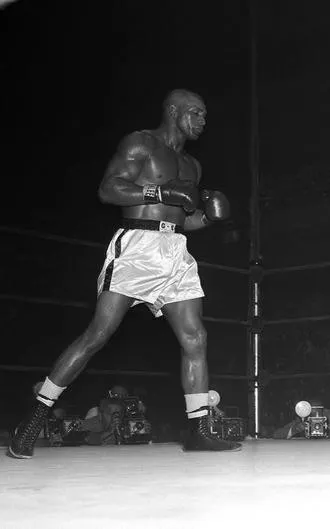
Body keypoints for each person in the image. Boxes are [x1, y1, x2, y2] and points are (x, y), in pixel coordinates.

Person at [8, 89, 240, 459]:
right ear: (173, 111)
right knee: (97, 335)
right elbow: (109, 190)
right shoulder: (140, 143)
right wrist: (160, 189)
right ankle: (35, 418)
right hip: (136, 247)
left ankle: (198, 429)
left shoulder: (193, 166)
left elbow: (182, 217)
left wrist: (208, 218)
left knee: (196, 337)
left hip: (175, 250)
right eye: (195, 113)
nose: (202, 121)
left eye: (205, 116)